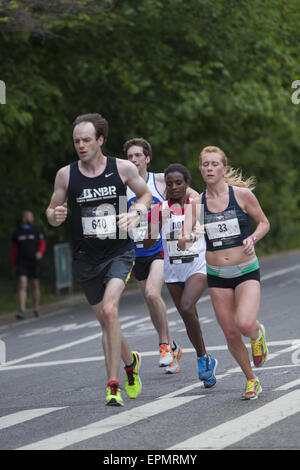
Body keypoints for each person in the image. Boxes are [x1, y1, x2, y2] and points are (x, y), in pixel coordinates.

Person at [46, 114, 152, 407]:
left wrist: (136, 212)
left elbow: (145, 196)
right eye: (76, 141)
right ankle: (131, 363)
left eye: (86, 140)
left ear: (100, 140)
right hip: (85, 257)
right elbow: (52, 210)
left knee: (109, 308)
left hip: (118, 252)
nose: (80, 145)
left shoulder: (122, 168)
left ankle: (113, 384)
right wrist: (53, 216)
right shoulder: (66, 175)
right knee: (107, 321)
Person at [178, 146, 270, 400]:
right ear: (200, 169)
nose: (209, 168)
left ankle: (256, 333)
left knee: (244, 323)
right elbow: (183, 240)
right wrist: (189, 237)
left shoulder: (241, 195)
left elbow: (264, 222)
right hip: (217, 274)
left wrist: (252, 237)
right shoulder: (195, 205)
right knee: (229, 331)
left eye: (214, 164)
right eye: (205, 164)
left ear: (224, 169)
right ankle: (252, 379)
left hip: (246, 269)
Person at [144, 163, 218, 386]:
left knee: (187, 306)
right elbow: (147, 243)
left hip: (197, 266)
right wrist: (158, 223)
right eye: (169, 184)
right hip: (173, 269)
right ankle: (204, 358)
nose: (174, 187)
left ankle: (201, 358)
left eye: (178, 183)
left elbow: (213, 232)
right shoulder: (159, 210)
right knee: (188, 316)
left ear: (187, 184)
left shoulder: (197, 207)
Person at [12, 210, 46, 320]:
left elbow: (42, 243)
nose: (32, 218)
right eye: (29, 217)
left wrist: (40, 252)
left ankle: (36, 308)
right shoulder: (17, 232)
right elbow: (14, 250)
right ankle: (22, 310)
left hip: (34, 261)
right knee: (22, 283)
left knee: (35, 284)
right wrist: (14, 264)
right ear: (24, 219)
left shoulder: (36, 230)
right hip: (22, 262)